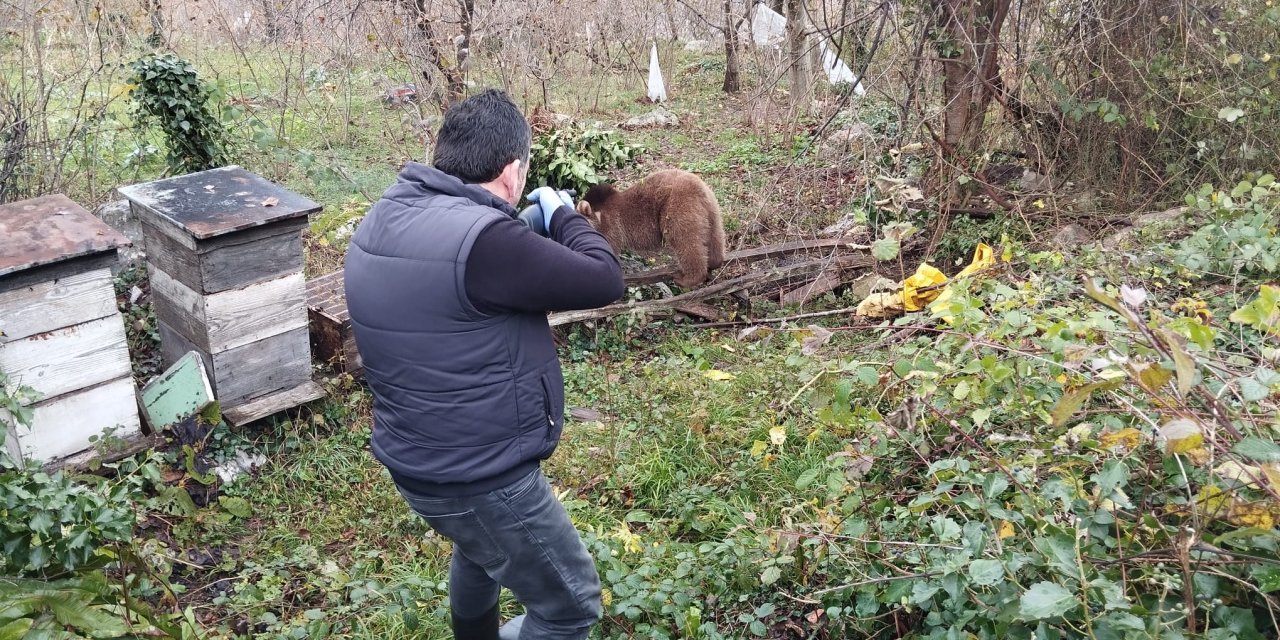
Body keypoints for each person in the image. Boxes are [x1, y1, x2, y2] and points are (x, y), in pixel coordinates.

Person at [343, 89, 624, 640]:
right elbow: (603, 278)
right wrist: (563, 214)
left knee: (480, 552)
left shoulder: (386, 213)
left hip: (420, 461)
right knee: (570, 606)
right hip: (481, 476)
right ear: (513, 170)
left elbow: (457, 284)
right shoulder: (487, 242)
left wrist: (522, 233)